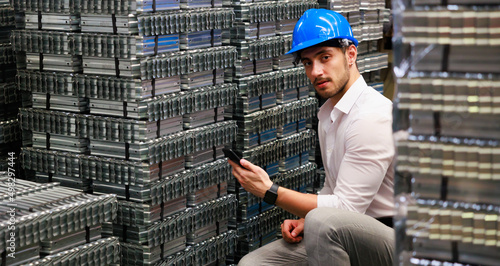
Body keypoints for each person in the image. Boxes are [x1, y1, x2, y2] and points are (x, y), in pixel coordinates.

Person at [229, 9, 395, 266]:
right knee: (253, 264)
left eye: (325, 57)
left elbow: (345, 211)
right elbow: (333, 191)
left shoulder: (372, 117)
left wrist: (269, 191)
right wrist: (307, 221)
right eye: (308, 63)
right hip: (348, 229)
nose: (316, 71)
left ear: (351, 54)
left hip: (394, 237)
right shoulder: (328, 113)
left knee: (322, 220)